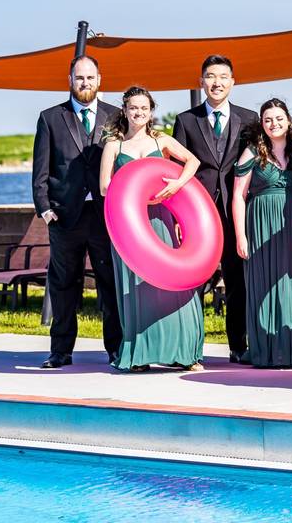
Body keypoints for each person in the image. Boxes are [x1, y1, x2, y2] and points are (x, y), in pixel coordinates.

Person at [99, 87, 204, 373]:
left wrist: (177, 184)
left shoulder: (162, 140)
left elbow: (193, 161)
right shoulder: (114, 145)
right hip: (129, 225)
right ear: (125, 109)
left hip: (160, 218)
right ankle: (140, 354)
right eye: (133, 107)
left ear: (150, 111)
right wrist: (132, 196)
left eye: (144, 108)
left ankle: (184, 353)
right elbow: (105, 186)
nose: (139, 113)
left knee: (171, 285)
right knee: (136, 288)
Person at [31, 54, 122, 368]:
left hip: (103, 217)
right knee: (63, 285)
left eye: (90, 77)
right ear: (70, 81)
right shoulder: (50, 117)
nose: (85, 83)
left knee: (109, 285)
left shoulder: (116, 116)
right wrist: (44, 209)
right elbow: (40, 169)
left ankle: (116, 349)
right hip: (64, 217)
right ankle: (61, 351)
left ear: (100, 80)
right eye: (79, 78)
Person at [173, 55, 258, 364]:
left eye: (223, 76)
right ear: (201, 81)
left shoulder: (250, 118)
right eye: (210, 76)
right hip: (199, 214)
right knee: (194, 283)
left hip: (236, 212)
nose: (217, 82)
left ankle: (238, 346)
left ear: (232, 82)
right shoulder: (186, 120)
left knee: (238, 282)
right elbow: (177, 169)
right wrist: (178, 216)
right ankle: (191, 349)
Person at [233, 98, 292, 368]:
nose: (274, 124)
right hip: (261, 227)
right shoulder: (252, 152)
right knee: (264, 285)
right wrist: (241, 236)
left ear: (288, 121)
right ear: (262, 124)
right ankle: (269, 351)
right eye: (268, 120)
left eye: (279, 118)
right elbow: (239, 196)